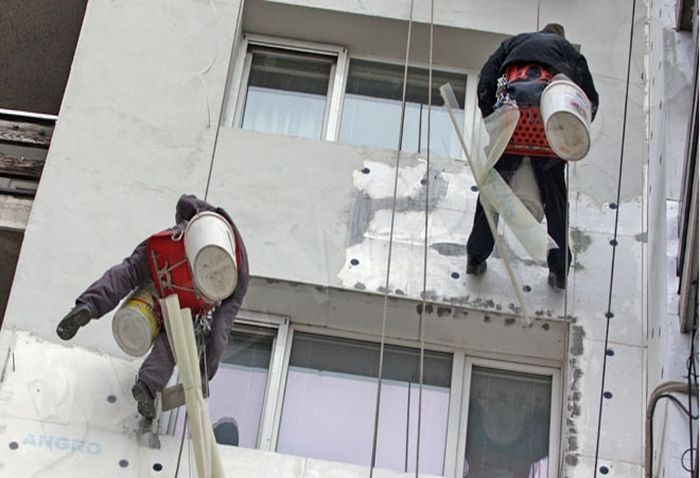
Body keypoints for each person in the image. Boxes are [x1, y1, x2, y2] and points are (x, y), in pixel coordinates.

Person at [55, 194, 249, 419]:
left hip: (168, 253)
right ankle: (147, 387)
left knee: (129, 272)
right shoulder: (240, 279)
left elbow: (184, 201)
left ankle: (88, 306)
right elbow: (219, 334)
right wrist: (205, 373)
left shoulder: (210, 214)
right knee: (174, 335)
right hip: (192, 294)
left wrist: (180, 225)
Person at [466, 23, 599, 289]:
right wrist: (570, 133)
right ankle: (560, 269)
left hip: (513, 118)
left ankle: (476, 256)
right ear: (560, 38)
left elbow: (486, 80)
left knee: (492, 189)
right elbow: (589, 99)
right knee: (556, 199)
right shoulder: (567, 51)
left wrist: (494, 121)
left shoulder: (513, 43)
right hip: (546, 124)